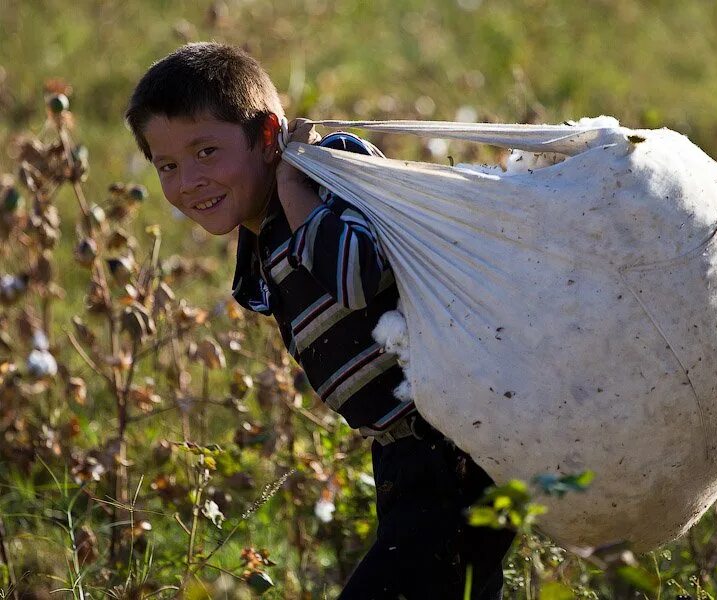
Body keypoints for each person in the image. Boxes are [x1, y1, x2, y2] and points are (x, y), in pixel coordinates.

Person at [124, 42, 515, 599]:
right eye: (167, 165)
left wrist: (292, 183)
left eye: (206, 151)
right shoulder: (261, 238)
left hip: (451, 443)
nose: (188, 180)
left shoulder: (331, 174)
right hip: (403, 453)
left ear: (266, 137)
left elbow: (357, 278)